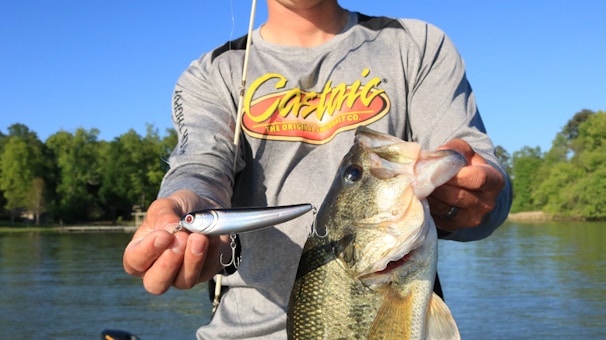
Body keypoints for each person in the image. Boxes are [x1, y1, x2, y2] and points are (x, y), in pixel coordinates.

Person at [123, 1, 512, 338]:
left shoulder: (416, 44)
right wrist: (182, 206)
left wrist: (473, 198)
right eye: (356, 173)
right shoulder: (214, 72)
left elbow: (485, 184)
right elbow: (201, 167)